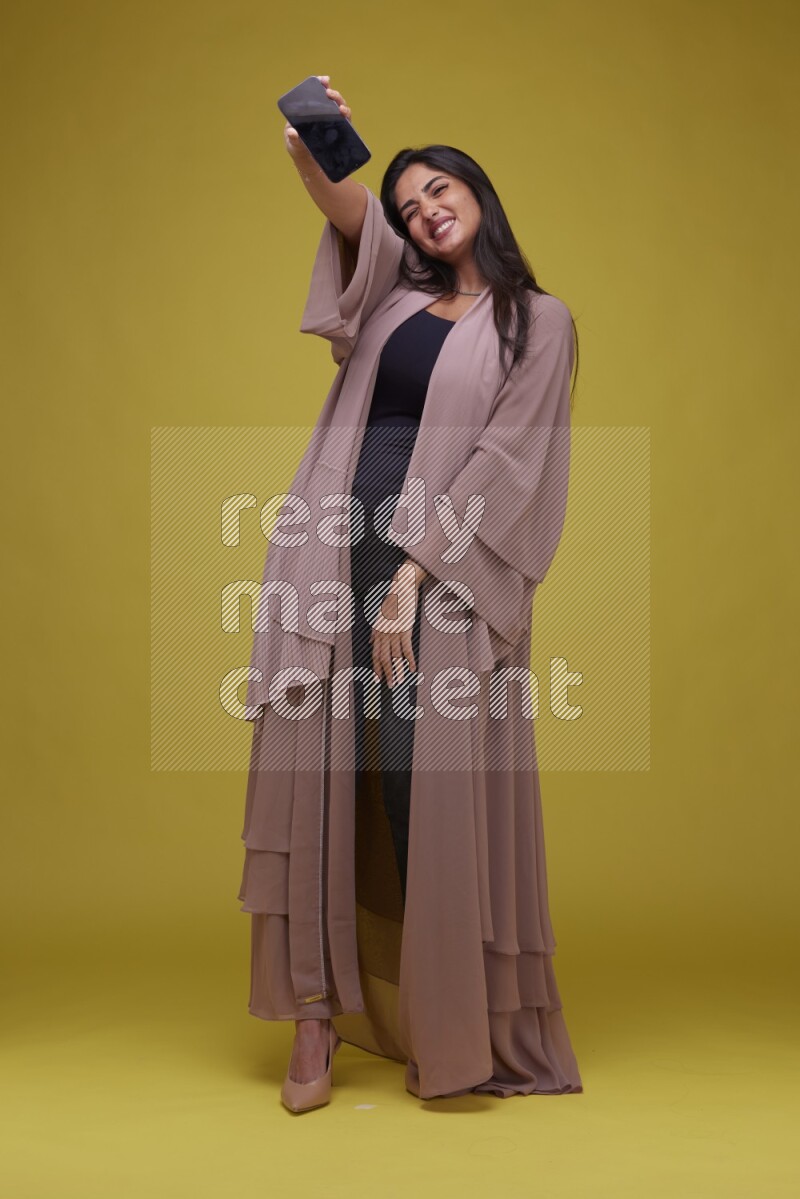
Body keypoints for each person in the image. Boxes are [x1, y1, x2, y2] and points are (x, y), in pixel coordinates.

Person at [238, 75, 583, 1110]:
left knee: (410, 782)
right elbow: (341, 198)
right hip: (330, 546)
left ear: (477, 192)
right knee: (317, 768)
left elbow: (504, 464)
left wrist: (412, 576)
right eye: (409, 204)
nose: (424, 209)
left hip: (437, 578)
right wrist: (314, 125)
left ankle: (447, 1018)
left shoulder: (536, 321)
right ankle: (312, 1015)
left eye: (438, 189)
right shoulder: (390, 292)